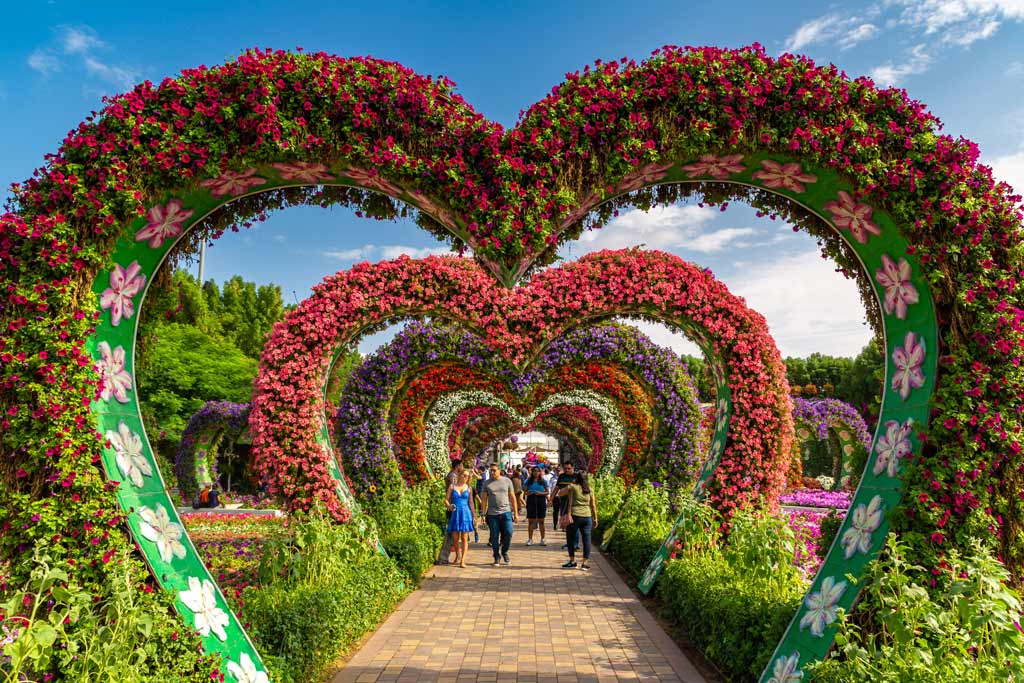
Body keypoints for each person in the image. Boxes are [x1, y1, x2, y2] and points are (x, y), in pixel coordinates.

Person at [479, 463, 518, 566]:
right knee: (494, 536)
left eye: (494, 470)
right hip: (492, 514)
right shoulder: (487, 483)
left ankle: (504, 552)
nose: (492, 472)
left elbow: (513, 497)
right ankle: (496, 556)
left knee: (509, 533)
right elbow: (483, 500)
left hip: (506, 512)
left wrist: (516, 513)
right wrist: (483, 514)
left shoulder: (507, 481)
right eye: (491, 470)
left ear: (499, 471)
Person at [558, 471, 598, 570]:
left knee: (570, 539)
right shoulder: (590, 489)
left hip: (574, 516)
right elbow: (593, 505)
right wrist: (595, 518)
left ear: (577, 478)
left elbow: (560, 493)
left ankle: (572, 561)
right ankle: (585, 563)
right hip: (587, 517)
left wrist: (571, 485)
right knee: (587, 540)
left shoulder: (573, 487)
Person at [436, 460, 465, 565]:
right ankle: (443, 557)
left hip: (454, 508)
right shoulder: (453, 476)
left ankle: (451, 556)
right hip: (453, 508)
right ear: (457, 466)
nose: (462, 467)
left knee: (454, 534)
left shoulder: (453, 475)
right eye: (461, 465)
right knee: (450, 534)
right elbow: (454, 491)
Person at [446, 471, 477, 568]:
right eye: (463, 475)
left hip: (466, 514)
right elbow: (446, 499)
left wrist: (474, 516)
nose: (465, 477)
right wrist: (449, 505)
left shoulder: (469, 488)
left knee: (464, 538)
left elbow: (471, 502)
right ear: (459, 475)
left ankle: (462, 560)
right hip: (455, 513)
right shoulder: (452, 486)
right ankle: (458, 555)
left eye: (467, 476)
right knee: (455, 539)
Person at [550, 462, 577, 547]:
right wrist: (551, 498)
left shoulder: (576, 477)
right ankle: (569, 542)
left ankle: (575, 543)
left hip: (574, 504)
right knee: (567, 524)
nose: (567, 470)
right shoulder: (561, 477)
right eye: (565, 468)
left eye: (569, 468)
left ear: (573, 468)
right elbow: (556, 488)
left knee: (574, 523)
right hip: (563, 503)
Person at [525, 467, 548, 546]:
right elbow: (525, 491)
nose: (536, 473)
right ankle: (530, 539)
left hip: (541, 500)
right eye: (534, 471)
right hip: (531, 500)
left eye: (537, 471)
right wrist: (528, 493)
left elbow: (547, 492)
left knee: (541, 521)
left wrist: (540, 493)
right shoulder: (528, 481)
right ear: (532, 472)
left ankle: (543, 539)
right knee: (531, 521)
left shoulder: (543, 481)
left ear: (540, 472)